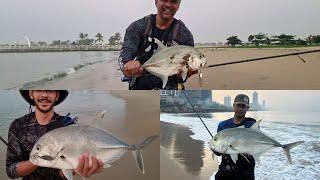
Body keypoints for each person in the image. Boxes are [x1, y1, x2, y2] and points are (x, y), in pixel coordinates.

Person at [6, 90, 103, 180]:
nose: (44, 95)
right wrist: (36, 160)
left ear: (57, 95)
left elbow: (72, 164)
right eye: (39, 90)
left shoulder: (68, 125)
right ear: (31, 94)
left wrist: (80, 169)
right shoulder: (18, 126)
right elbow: (11, 171)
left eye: (50, 90)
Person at [118, 0, 198, 90]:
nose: (168, 5)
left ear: (178, 5)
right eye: (164, 0)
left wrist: (185, 74)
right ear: (156, 2)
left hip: (170, 93)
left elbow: (182, 78)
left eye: (173, 1)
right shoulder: (138, 27)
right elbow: (126, 51)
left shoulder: (185, 35)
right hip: (140, 90)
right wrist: (127, 65)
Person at [214, 94, 257, 180]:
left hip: (246, 172)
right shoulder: (223, 125)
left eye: (243, 106)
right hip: (226, 170)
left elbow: (256, 147)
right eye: (238, 105)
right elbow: (218, 152)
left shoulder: (251, 125)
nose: (240, 109)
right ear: (233, 106)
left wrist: (250, 151)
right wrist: (214, 147)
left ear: (247, 108)